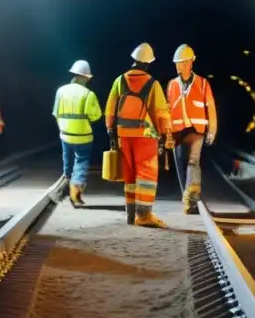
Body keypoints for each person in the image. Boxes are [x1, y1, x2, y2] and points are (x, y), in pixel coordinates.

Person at [104, 43, 173, 228]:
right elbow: (160, 113)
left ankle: (131, 215)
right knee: (146, 173)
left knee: (129, 173)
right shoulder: (152, 84)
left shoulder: (119, 81)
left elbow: (110, 109)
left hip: (123, 134)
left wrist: (111, 131)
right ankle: (144, 216)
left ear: (134, 60)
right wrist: (165, 135)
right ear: (148, 63)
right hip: (145, 134)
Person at [167, 44, 218, 214]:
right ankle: (187, 197)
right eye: (176, 63)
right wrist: (167, 133)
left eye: (180, 62)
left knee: (193, 162)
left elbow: (211, 108)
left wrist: (212, 130)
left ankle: (193, 199)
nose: (178, 66)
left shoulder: (203, 84)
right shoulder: (172, 85)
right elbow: (167, 109)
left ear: (189, 63)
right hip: (178, 132)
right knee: (181, 165)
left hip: (197, 131)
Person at [52, 59, 103, 207]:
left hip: (65, 134)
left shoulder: (60, 91)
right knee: (81, 161)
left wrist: (64, 127)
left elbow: (55, 113)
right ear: (84, 77)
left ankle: (66, 182)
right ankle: (75, 190)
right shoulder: (89, 94)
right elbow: (96, 116)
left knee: (67, 160)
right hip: (83, 135)